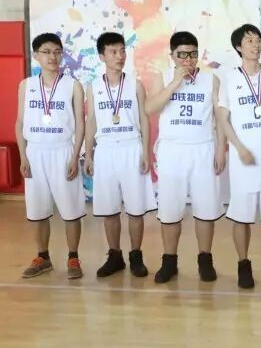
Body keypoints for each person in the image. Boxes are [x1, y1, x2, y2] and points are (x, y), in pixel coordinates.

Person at [145, 31, 226, 284]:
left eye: (192, 54)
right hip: (172, 151)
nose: (188, 59)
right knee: (170, 210)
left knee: (206, 210)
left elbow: (220, 116)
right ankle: (169, 261)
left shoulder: (211, 79)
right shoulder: (162, 77)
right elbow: (149, 108)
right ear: (172, 55)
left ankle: (205, 260)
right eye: (182, 54)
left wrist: (221, 149)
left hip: (203, 149)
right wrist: (174, 84)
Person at [217, 24, 261, 289]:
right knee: (241, 215)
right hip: (244, 160)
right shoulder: (228, 78)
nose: (255, 45)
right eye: (249, 41)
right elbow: (223, 118)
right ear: (238, 47)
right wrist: (239, 148)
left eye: (258, 40)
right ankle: (243, 265)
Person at [85, 32, 156, 278]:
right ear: (102, 56)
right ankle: (115, 256)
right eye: (113, 52)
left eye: (122, 50)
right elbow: (91, 121)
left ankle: (136, 256)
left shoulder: (135, 84)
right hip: (105, 150)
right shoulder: (94, 87)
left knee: (136, 209)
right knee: (109, 209)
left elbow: (144, 119)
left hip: (131, 147)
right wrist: (89, 153)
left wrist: (146, 151)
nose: (120, 56)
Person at [16, 33, 86, 279]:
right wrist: (23, 156)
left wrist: (75, 156)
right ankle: (42, 257)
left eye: (57, 52)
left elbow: (80, 124)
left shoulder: (73, 85)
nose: (52, 57)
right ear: (36, 55)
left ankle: (73, 257)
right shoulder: (26, 85)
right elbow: (19, 122)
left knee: (71, 210)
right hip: (35, 152)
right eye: (46, 52)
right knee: (37, 210)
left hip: (63, 151)